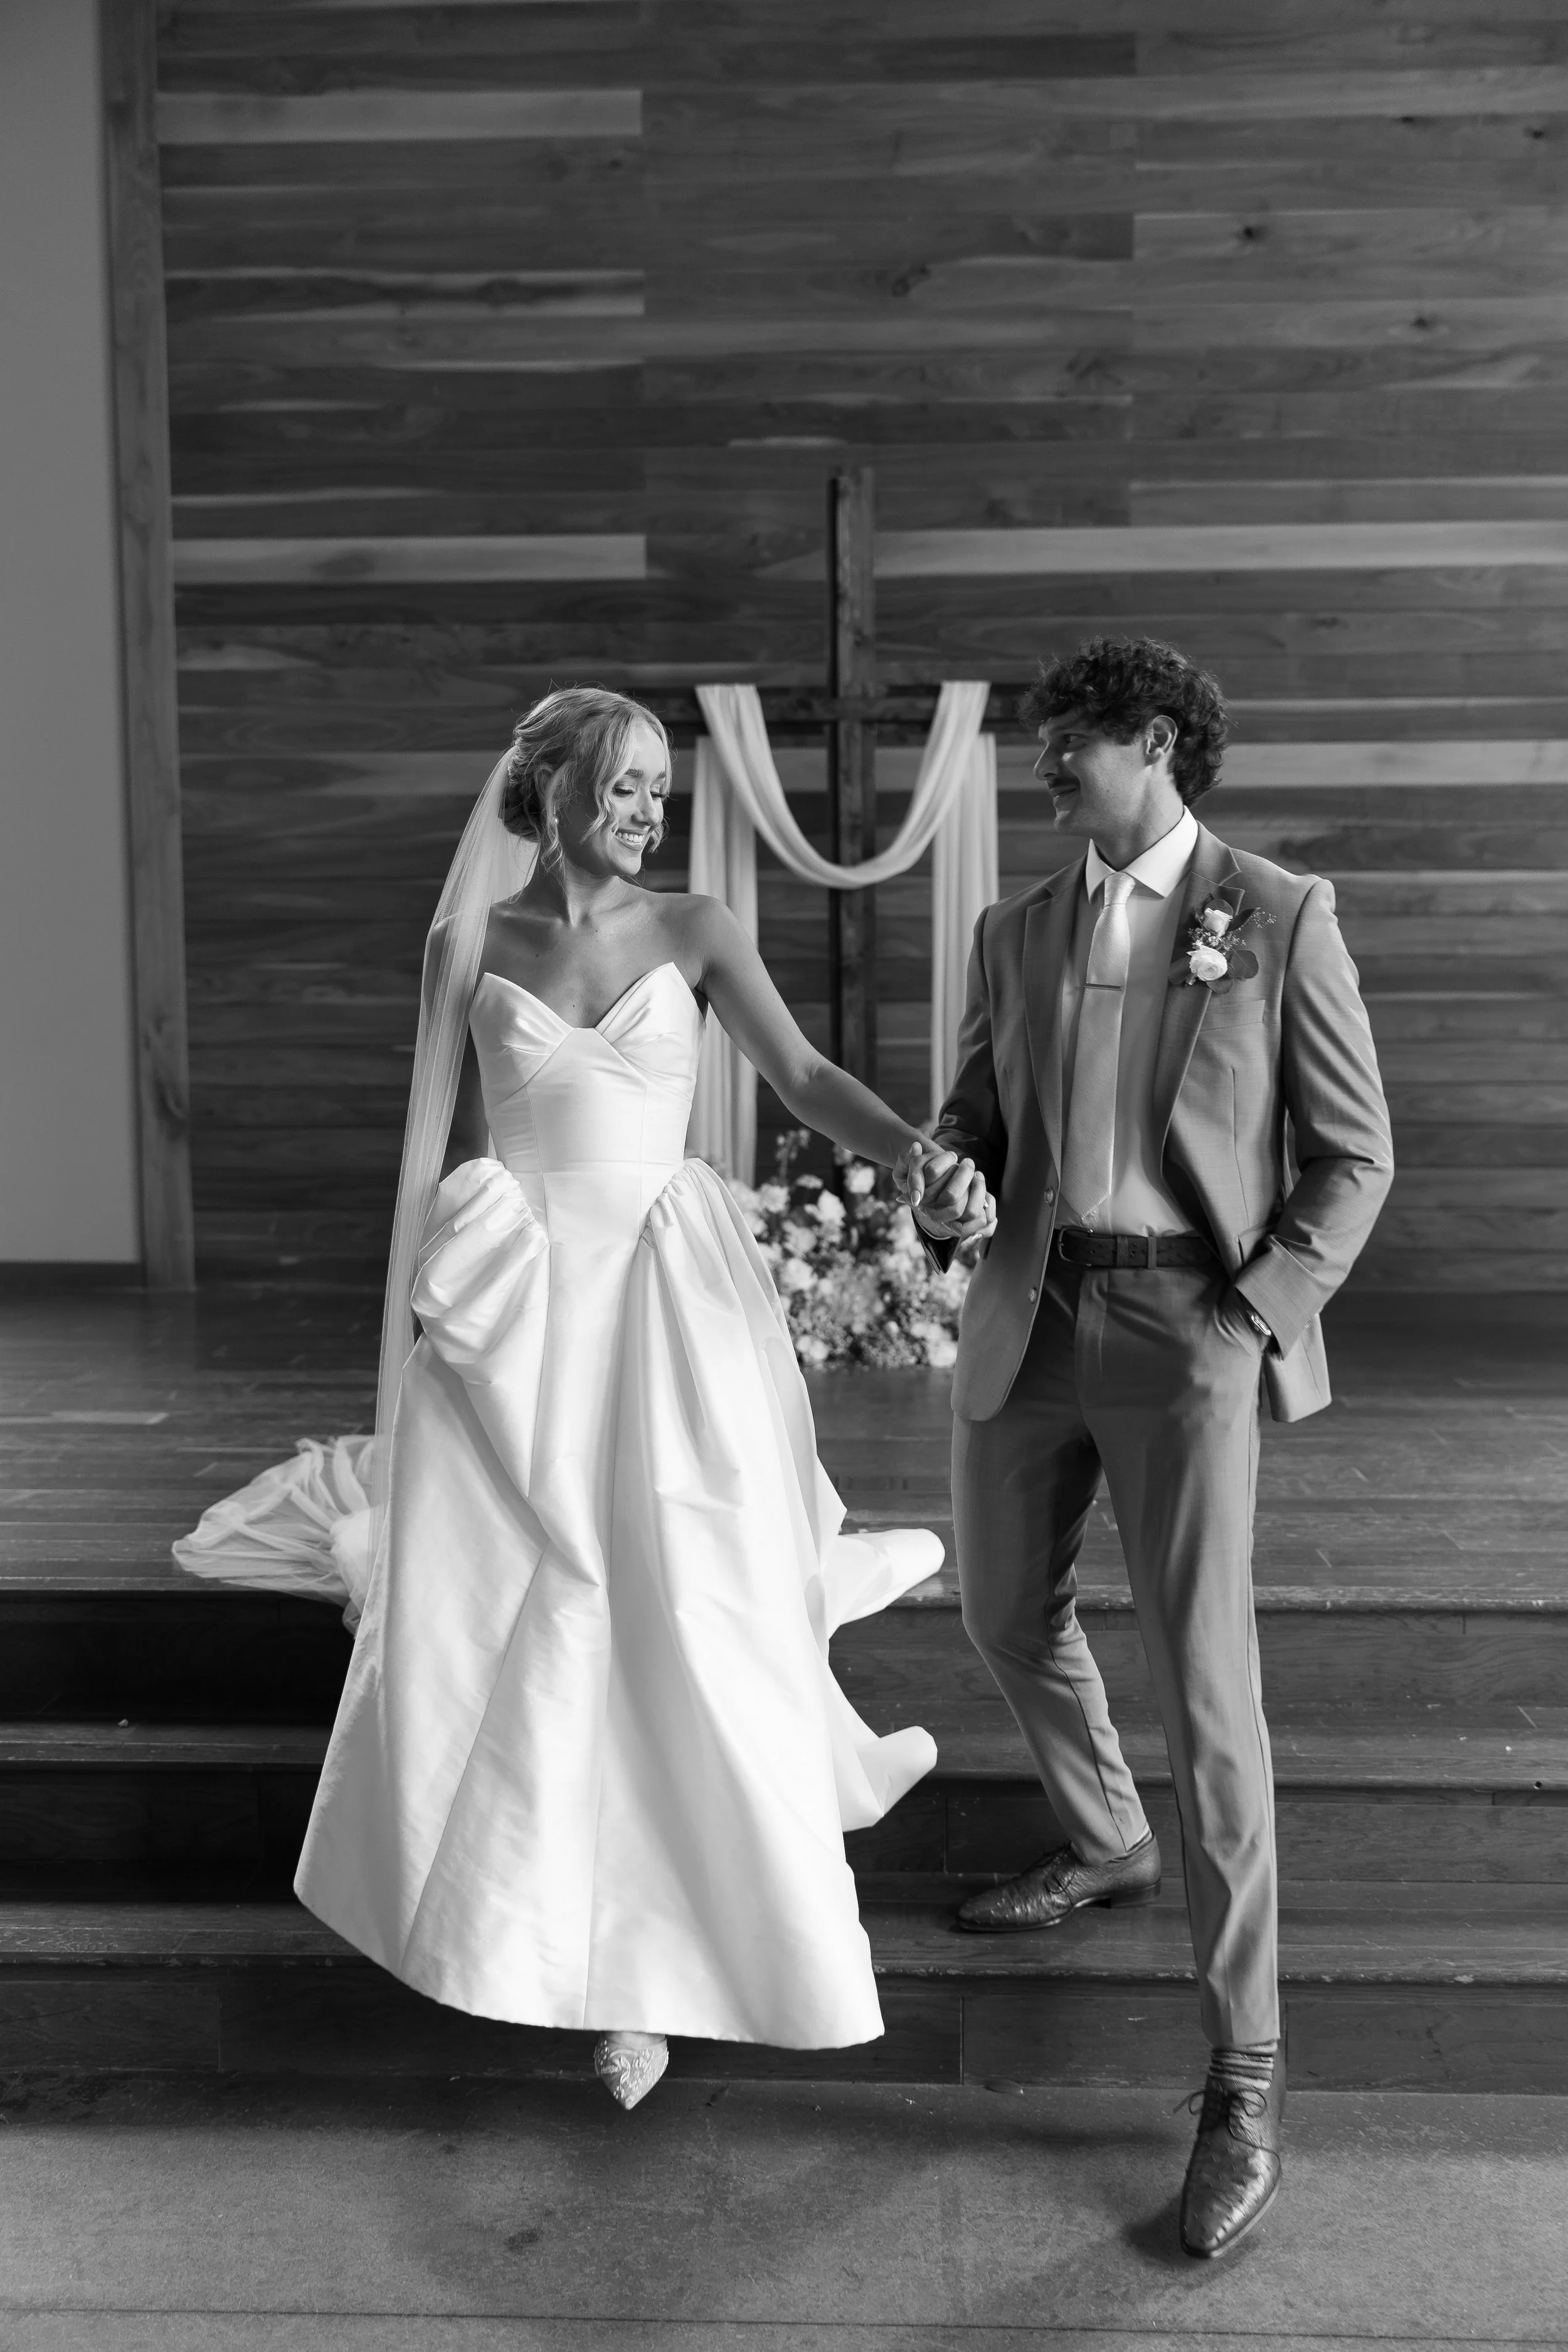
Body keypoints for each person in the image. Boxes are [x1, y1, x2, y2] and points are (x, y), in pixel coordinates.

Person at [179, 686, 983, 2111]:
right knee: (551, 1609)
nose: (648, 812)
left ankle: (676, 1963)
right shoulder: (468, 944)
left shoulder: (696, 930)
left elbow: (803, 1075)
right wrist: (446, 1321)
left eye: (661, 790)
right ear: (548, 787)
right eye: (623, 785)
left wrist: (914, 1151)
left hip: (667, 1298)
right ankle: (555, 1950)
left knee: (684, 1598)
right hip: (527, 1309)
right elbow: (447, 1147)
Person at [912, 637, 1393, 2257]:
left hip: (1191, 1323)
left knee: (1205, 1688)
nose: (1044, 767)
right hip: (1031, 1312)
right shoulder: (1013, 928)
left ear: (1159, 744)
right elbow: (974, 1124)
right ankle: (1107, 1833)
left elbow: (1351, 1155)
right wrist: (943, 1189)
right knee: (999, 1606)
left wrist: (1254, 1315)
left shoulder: (1278, 914)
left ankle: (1243, 2077)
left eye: (1070, 741)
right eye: (1041, 743)